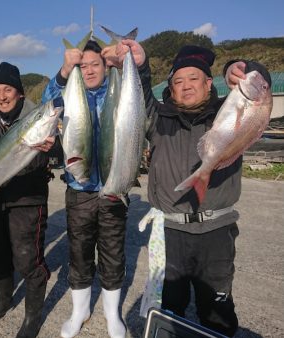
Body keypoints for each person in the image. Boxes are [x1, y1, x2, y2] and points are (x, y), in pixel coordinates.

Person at [102, 41, 271, 337]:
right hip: (171, 231)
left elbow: (259, 88)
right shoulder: (158, 119)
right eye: (178, 81)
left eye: (194, 79)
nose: (186, 86)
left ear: (209, 84)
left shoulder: (224, 113)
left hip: (217, 231)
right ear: (170, 87)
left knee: (217, 309)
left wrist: (242, 68)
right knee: (170, 305)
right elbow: (138, 95)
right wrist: (140, 65)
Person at [41, 39, 128, 338]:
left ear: (106, 66)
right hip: (79, 188)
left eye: (95, 65)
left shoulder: (118, 91)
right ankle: (80, 310)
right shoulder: (69, 92)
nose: (89, 71)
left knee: (113, 252)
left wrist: (124, 64)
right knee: (79, 251)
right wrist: (66, 70)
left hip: (113, 187)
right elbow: (47, 101)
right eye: (83, 66)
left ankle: (111, 313)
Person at [0, 62, 55, 338]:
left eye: (8, 89)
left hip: (29, 200)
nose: (2, 96)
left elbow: (58, 155)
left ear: (20, 93)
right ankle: (3, 301)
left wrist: (50, 150)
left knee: (28, 260)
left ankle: (32, 317)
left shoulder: (37, 120)